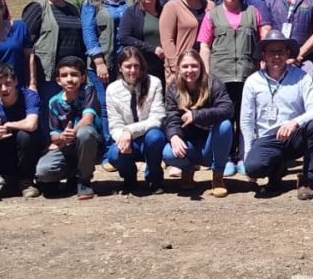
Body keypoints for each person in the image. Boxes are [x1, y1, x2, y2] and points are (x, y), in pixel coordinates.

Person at [240, 30, 313, 200]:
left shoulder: (302, 77)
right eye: (271, 52)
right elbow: (246, 120)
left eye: (280, 51)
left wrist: (295, 122)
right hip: (267, 138)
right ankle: (276, 172)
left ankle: (306, 180)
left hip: (295, 136)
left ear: (288, 53)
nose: (276, 56)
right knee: (253, 167)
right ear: (264, 55)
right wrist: (247, 153)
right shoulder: (252, 81)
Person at [198, 0, 266, 176]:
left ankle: (243, 156)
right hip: (220, 77)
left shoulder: (253, 13)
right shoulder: (212, 15)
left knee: (245, 118)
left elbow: (263, 43)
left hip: (247, 75)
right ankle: (225, 158)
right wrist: (206, 75)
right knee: (224, 119)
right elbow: (205, 45)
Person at [162, 49, 235, 198]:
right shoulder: (173, 88)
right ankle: (188, 171)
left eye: (194, 66)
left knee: (225, 125)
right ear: (178, 68)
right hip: (189, 145)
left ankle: (218, 176)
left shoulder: (213, 83)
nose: (190, 70)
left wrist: (196, 115)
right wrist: (174, 136)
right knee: (168, 153)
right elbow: (171, 117)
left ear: (201, 66)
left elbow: (227, 109)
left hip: (211, 145)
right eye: (185, 66)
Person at [37, 55, 102, 200]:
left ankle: (84, 180)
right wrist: (61, 137)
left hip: (90, 145)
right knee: (43, 172)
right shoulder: (54, 102)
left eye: (74, 75)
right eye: (64, 75)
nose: (70, 79)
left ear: (83, 78)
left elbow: (88, 119)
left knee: (85, 133)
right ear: (58, 80)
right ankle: (72, 175)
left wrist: (71, 133)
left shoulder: (88, 91)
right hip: (66, 146)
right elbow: (54, 135)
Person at [105, 46, 168, 194]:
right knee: (114, 154)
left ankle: (154, 178)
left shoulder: (154, 83)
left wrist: (129, 131)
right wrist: (122, 137)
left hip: (147, 138)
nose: (132, 70)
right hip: (128, 141)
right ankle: (129, 177)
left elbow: (157, 118)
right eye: (128, 66)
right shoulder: (112, 90)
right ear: (120, 68)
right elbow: (114, 124)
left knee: (156, 136)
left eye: (136, 66)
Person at [0, 63, 44, 198]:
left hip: (30, 149)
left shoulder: (29, 96)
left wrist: (8, 125)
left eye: (8, 83)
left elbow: (31, 124)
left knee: (25, 135)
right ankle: (11, 180)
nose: (4, 89)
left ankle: (26, 180)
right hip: (6, 151)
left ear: (16, 81)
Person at [22, 0, 86, 102]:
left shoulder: (73, 9)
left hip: (72, 74)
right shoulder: (37, 8)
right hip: (47, 76)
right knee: (50, 114)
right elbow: (25, 43)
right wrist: (31, 79)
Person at [81, 0, 127, 143]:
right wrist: (99, 62)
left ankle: (127, 144)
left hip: (126, 62)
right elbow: (89, 32)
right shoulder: (92, 2)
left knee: (125, 103)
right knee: (106, 105)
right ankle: (109, 147)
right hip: (102, 63)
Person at [159, 0, 212, 82]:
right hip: (183, 70)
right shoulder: (171, 7)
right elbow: (167, 40)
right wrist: (176, 67)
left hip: (206, 67)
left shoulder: (210, 6)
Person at [118, 0, 165, 79]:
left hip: (165, 68)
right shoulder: (131, 13)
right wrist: (153, 49)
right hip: (142, 70)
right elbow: (124, 37)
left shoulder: (165, 11)